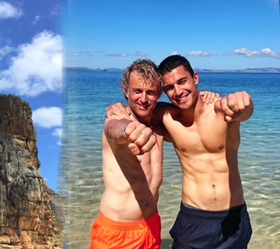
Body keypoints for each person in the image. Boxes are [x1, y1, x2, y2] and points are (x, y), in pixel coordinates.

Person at [107, 55, 253, 248]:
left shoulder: (221, 110)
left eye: (182, 81)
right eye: (169, 87)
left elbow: (243, 109)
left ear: (195, 78)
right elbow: (139, 108)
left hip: (234, 216)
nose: (178, 91)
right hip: (193, 217)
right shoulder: (167, 117)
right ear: (164, 92)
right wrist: (114, 108)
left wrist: (244, 102)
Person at [91, 59, 163, 249]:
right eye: (137, 91)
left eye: (151, 92)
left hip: (151, 227)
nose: (144, 98)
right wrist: (128, 131)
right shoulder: (117, 118)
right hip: (116, 233)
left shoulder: (160, 126)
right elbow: (113, 129)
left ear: (159, 95)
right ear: (126, 92)